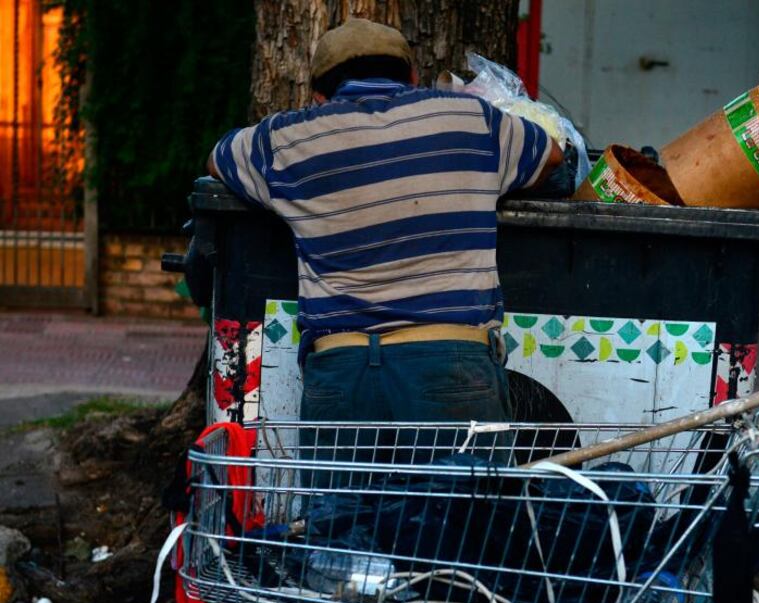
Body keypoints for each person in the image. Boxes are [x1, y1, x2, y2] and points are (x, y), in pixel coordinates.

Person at [208, 18, 561, 470]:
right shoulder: (471, 119)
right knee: (459, 534)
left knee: (344, 536)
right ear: (411, 77)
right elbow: (551, 154)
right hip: (452, 367)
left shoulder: (285, 139)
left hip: (341, 372)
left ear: (319, 94)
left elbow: (219, 159)